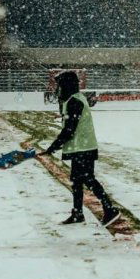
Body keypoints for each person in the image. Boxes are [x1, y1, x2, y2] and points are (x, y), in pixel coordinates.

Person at [39, 70, 121, 227]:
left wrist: (52, 147)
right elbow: (70, 123)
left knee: (87, 179)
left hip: (83, 148)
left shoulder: (74, 102)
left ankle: (110, 209)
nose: (58, 89)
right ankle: (77, 213)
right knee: (77, 181)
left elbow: (69, 130)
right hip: (81, 147)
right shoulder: (74, 99)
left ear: (67, 86)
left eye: (60, 85)